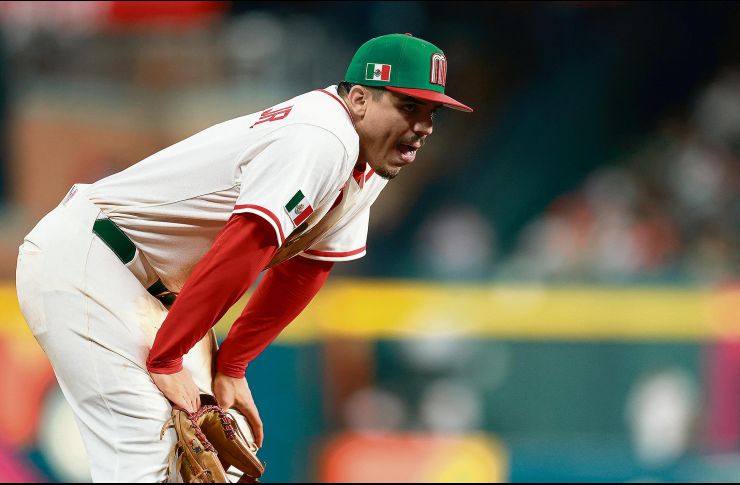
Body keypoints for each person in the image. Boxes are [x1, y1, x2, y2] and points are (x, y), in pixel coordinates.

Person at [15, 33, 472, 482]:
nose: (423, 127)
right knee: (146, 450)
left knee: (218, 459)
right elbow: (245, 245)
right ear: (358, 99)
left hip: (150, 288)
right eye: (408, 107)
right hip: (92, 257)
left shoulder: (367, 164)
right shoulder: (321, 136)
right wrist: (168, 357)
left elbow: (305, 270)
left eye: (431, 113)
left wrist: (232, 365)